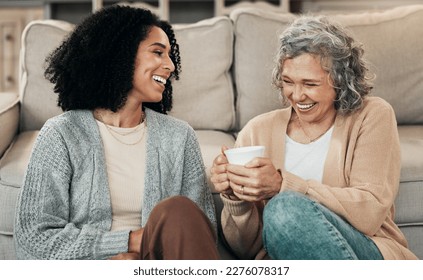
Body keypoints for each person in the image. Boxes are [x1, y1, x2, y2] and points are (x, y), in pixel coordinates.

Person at [14, 5, 219, 260]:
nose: (170, 66)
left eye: (169, 56)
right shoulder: (61, 135)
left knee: (178, 210)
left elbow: (201, 232)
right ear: (120, 54)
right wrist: (128, 243)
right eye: (158, 53)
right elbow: (33, 238)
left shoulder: (179, 136)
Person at [211, 15, 418, 260]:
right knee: (282, 214)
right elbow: (246, 249)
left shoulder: (372, 115)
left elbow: (369, 213)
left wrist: (281, 185)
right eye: (288, 82)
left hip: (367, 252)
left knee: (284, 208)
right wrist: (236, 197)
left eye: (310, 84)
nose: (297, 95)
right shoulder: (257, 131)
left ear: (340, 81)